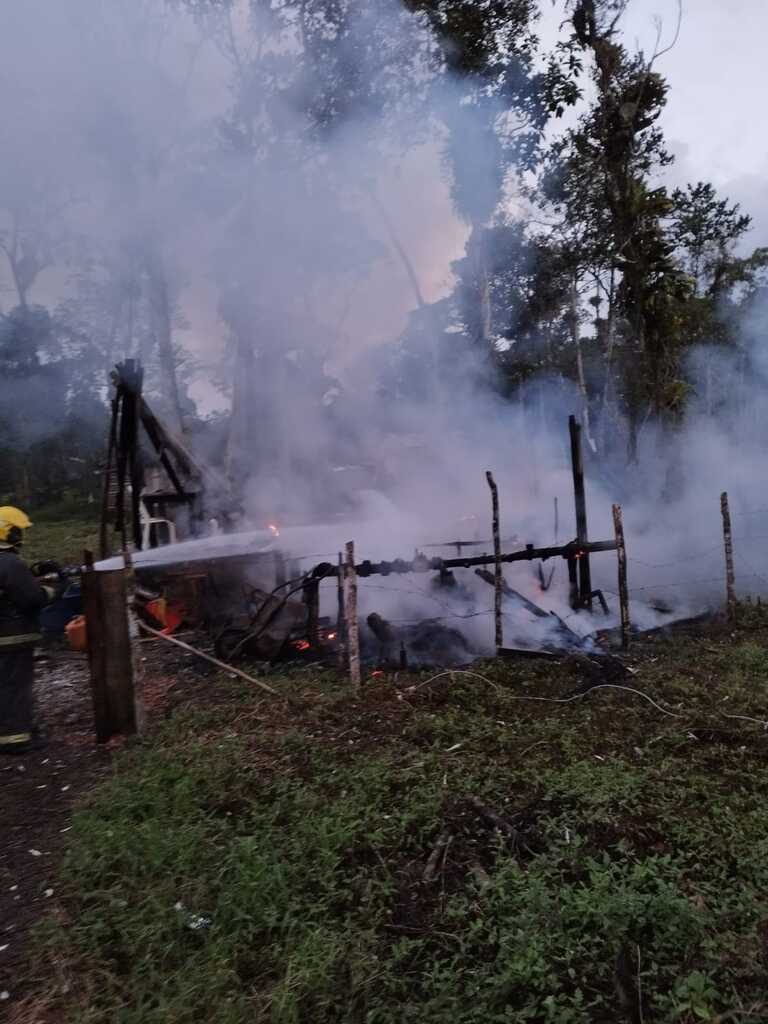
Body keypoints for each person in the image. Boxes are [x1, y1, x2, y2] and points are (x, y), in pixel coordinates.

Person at [0, 507, 57, 755]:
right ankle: (16, 740)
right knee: (15, 687)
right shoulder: (10, 563)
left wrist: (33, 572)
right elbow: (31, 599)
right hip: (12, 636)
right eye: (18, 530)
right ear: (8, 532)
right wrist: (56, 588)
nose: (21, 535)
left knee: (5, 685)